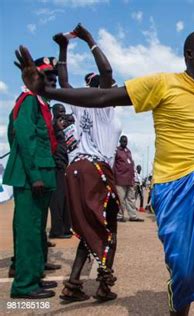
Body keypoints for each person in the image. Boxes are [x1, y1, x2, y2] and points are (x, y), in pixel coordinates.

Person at [15, 29, 194, 315]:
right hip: (173, 186)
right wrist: (47, 90)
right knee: (185, 272)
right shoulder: (163, 83)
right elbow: (104, 97)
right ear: (189, 54)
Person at [52, 23, 123, 301]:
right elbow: (107, 72)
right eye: (110, 87)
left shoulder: (77, 102)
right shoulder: (103, 105)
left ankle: (73, 284)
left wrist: (63, 48)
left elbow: (64, 83)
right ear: (100, 89)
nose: (115, 88)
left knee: (88, 228)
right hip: (95, 170)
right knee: (108, 229)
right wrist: (89, 39)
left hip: (75, 170)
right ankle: (104, 286)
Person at [3, 57, 59, 299]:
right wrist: (35, 175)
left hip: (43, 173)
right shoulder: (27, 101)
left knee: (37, 231)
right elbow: (22, 137)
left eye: (53, 77)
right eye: (46, 77)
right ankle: (24, 286)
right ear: (34, 78)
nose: (51, 81)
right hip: (31, 177)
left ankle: (34, 277)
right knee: (28, 231)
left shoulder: (41, 103)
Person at [49, 103, 72, 239]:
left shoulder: (63, 126)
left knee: (65, 200)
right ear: (54, 112)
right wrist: (57, 127)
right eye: (60, 111)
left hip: (64, 165)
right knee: (57, 200)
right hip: (56, 166)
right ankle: (56, 230)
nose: (62, 113)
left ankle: (65, 228)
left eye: (64, 111)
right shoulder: (53, 125)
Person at [114, 135, 144, 222]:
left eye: (126, 141)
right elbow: (113, 164)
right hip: (120, 179)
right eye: (123, 141)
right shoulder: (116, 151)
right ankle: (119, 216)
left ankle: (133, 216)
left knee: (131, 199)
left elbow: (131, 164)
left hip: (130, 180)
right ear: (120, 141)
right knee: (120, 199)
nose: (125, 143)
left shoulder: (128, 151)